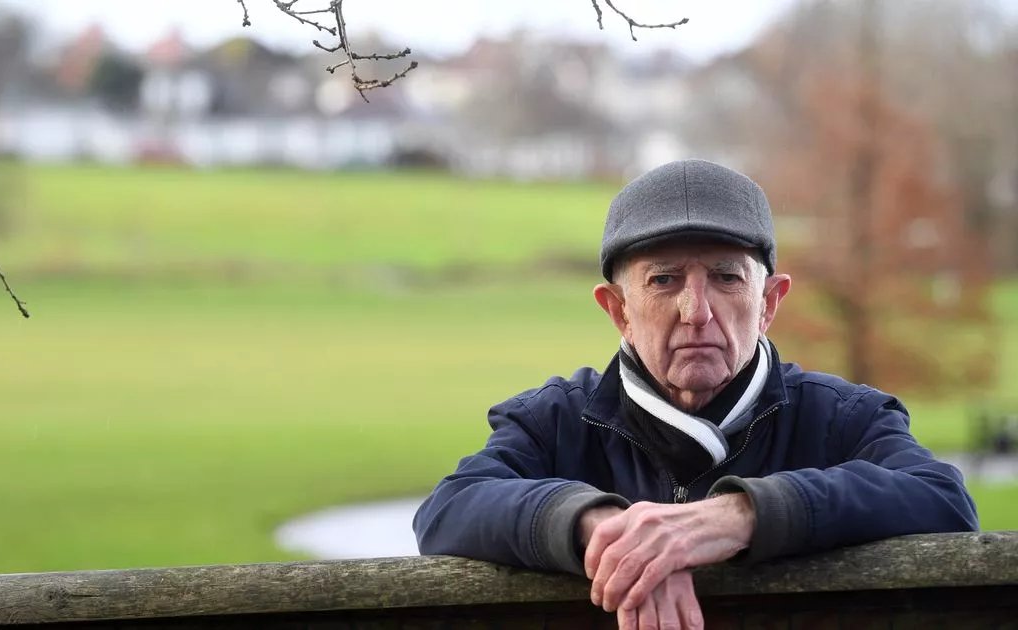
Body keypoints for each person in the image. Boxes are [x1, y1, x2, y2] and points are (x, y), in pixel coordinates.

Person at [412, 159, 978, 629]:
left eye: (727, 278)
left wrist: (739, 515)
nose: (697, 311)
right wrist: (608, 530)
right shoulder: (554, 419)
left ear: (769, 303)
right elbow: (450, 508)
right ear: (618, 310)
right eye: (664, 280)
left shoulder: (841, 418)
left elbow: (943, 501)